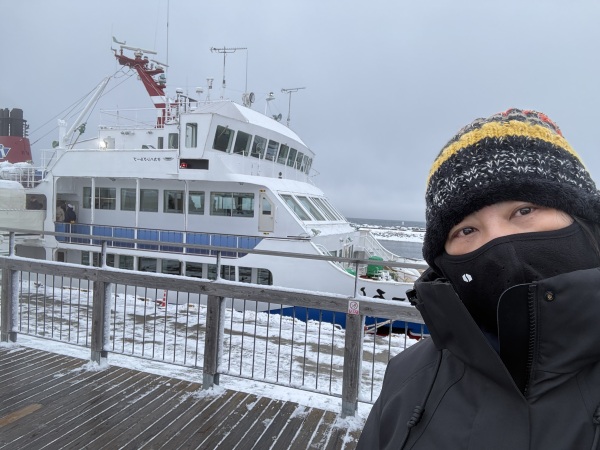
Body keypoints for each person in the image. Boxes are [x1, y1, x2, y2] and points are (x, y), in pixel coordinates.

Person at [357, 108, 600, 449]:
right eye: (467, 230)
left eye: (524, 210)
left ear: (583, 220)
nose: (498, 242)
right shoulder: (405, 376)